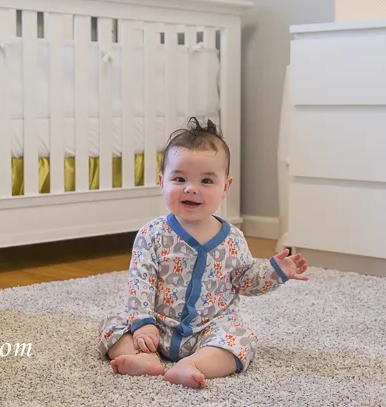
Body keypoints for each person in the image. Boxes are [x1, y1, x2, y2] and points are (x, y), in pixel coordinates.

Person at [98, 117, 309, 389]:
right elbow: (140, 282)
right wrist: (142, 324)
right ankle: (144, 357)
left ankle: (195, 364)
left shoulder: (232, 239)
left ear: (226, 187)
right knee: (112, 324)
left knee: (241, 339)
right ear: (163, 182)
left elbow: (245, 280)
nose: (191, 188)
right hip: (156, 326)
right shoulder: (152, 234)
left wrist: (277, 271)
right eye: (179, 178)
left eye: (207, 180)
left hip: (209, 329)